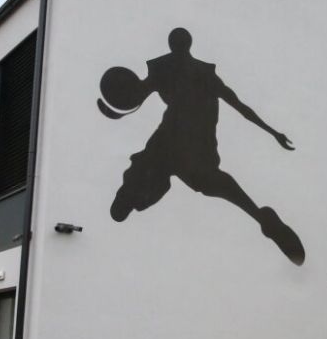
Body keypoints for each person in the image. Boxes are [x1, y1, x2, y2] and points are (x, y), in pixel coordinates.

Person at [106, 27, 305, 265]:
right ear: (188, 44)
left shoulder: (166, 68)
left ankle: (264, 219)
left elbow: (137, 95)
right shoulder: (192, 72)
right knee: (203, 180)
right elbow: (240, 107)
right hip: (184, 138)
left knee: (178, 174)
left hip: (183, 138)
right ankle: (262, 218)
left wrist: (116, 109)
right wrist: (273, 132)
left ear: (173, 44)